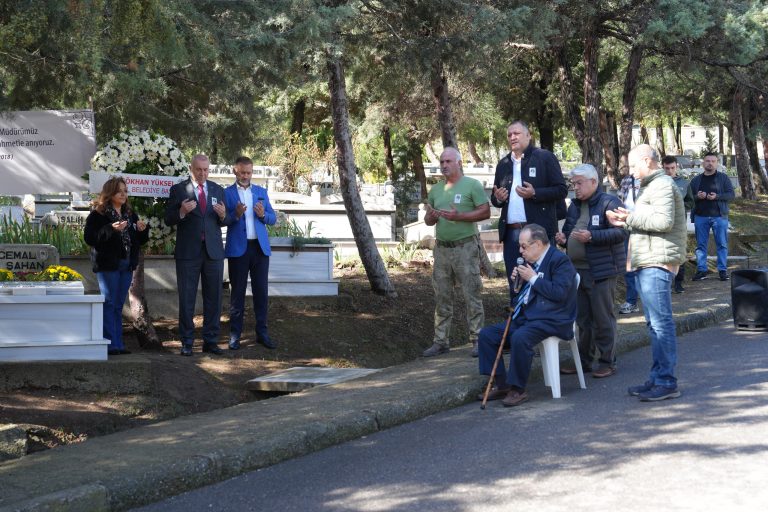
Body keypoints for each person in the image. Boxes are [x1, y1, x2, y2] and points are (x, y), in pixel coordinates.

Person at [607, 144, 687, 402]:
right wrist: (625, 220)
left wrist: (629, 219)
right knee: (654, 324)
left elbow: (663, 222)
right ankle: (657, 378)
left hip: (657, 261)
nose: (630, 171)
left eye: (633, 165)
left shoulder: (661, 184)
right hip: (648, 260)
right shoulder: (650, 186)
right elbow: (647, 222)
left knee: (661, 324)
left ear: (646, 161)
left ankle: (667, 382)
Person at [477, 224, 577, 407]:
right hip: (528, 317)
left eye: (524, 246)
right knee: (487, 335)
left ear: (537, 244)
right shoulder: (531, 263)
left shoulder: (560, 261)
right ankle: (502, 384)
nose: (520, 251)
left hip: (553, 319)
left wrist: (532, 278)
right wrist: (519, 282)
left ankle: (518, 389)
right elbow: (524, 295)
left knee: (520, 337)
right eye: (520, 246)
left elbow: (559, 293)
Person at [556, 164, 626, 379]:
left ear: (594, 182)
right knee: (583, 320)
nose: (575, 188)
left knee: (603, 318)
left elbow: (621, 233)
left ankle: (607, 362)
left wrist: (592, 237)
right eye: (573, 184)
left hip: (601, 271)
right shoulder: (574, 206)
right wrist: (563, 239)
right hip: (577, 271)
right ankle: (584, 362)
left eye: (579, 183)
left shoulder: (609, 202)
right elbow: (569, 231)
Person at [422, 147, 490, 358]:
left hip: (465, 248)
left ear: (459, 163)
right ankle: (440, 341)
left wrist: (459, 216)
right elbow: (428, 220)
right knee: (442, 295)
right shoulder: (436, 190)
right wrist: (431, 217)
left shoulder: (472, 185)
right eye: (442, 162)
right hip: (442, 249)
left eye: (448, 161)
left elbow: (485, 212)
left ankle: (477, 339)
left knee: (472, 294)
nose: (444, 165)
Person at [165, 154, 233, 356]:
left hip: (213, 252)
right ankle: (187, 342)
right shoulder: (178, 190)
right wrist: (182, 211)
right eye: (199, 169)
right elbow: (168, 218)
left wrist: (223, 215)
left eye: (206, 170)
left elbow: (226, 220)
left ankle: (210, 341)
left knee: (214, 298)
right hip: (188, 253)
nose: (203, 173)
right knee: (187, 298)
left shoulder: (217, 189)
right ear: (191, 169)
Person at [491, 121, 567, 300]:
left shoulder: (544, 157)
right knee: (515, 280)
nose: (512, 137)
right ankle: (517, 315)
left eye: (516, 133)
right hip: (512, 234)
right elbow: (495, 198)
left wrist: (535, 193)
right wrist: (498, 198)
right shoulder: (503, 164)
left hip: (538, 233)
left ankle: (542, 315)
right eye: (509, 135)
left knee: (541, 277)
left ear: (528, 135)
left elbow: (561, 189)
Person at [84, 177, 149, 356]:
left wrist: (142, 230)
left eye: (125, 191)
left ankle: (118, 344)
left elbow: (139, 240)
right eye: (119, 191)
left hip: (126, 264)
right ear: (110, 193)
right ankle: (109, 344)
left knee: (119, 305)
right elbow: (90, 238)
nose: (123, 194)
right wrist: (110, 229)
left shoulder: (130, 214)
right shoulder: (98, 215)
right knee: (109, 303)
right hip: (108, 265)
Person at [224, 156, 277, 350]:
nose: (246, 176)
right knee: (237, 294)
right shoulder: (227, 193)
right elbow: (222, 220)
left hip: (259, 250)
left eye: (249, 172)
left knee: (261, 293)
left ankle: (262, 333)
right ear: (235, 171)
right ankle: (234, 336)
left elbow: (273, 218)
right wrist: (236, 215)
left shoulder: (261, 192)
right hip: (238, 249)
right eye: (242, 172)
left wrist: (263, 215)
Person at [688, 152, 735, 282]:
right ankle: (702, 270)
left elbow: (731, 195)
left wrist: (717, 196)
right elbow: (689, 198)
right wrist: (698, 196)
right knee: (701, 245)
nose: (710, 163)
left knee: (722, 244)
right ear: (703, 163)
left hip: (719, 217)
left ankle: (722, 270)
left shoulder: (723, 178)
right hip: (700, 216)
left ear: (717, 163)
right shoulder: (696, 180)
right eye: (708, 161)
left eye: (713, 161)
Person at [662, 155, 694, 293]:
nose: (670, 171)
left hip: (679, 223)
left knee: (680, 252)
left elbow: (690, 202)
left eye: (672, 168)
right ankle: (665, 283)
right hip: (661, 223)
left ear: (677, 167)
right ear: (662, 168)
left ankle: (679, 283)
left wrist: (680, 207)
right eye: (667, 168)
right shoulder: (657, 182)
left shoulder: (684, 183)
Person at [616, 169, 642, 313]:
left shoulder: (653, 181)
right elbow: (619, 199)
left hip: (646, 228)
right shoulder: (627, 180)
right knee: (629, 265)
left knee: (646, 266)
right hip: (628, 226)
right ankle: (631, 301)